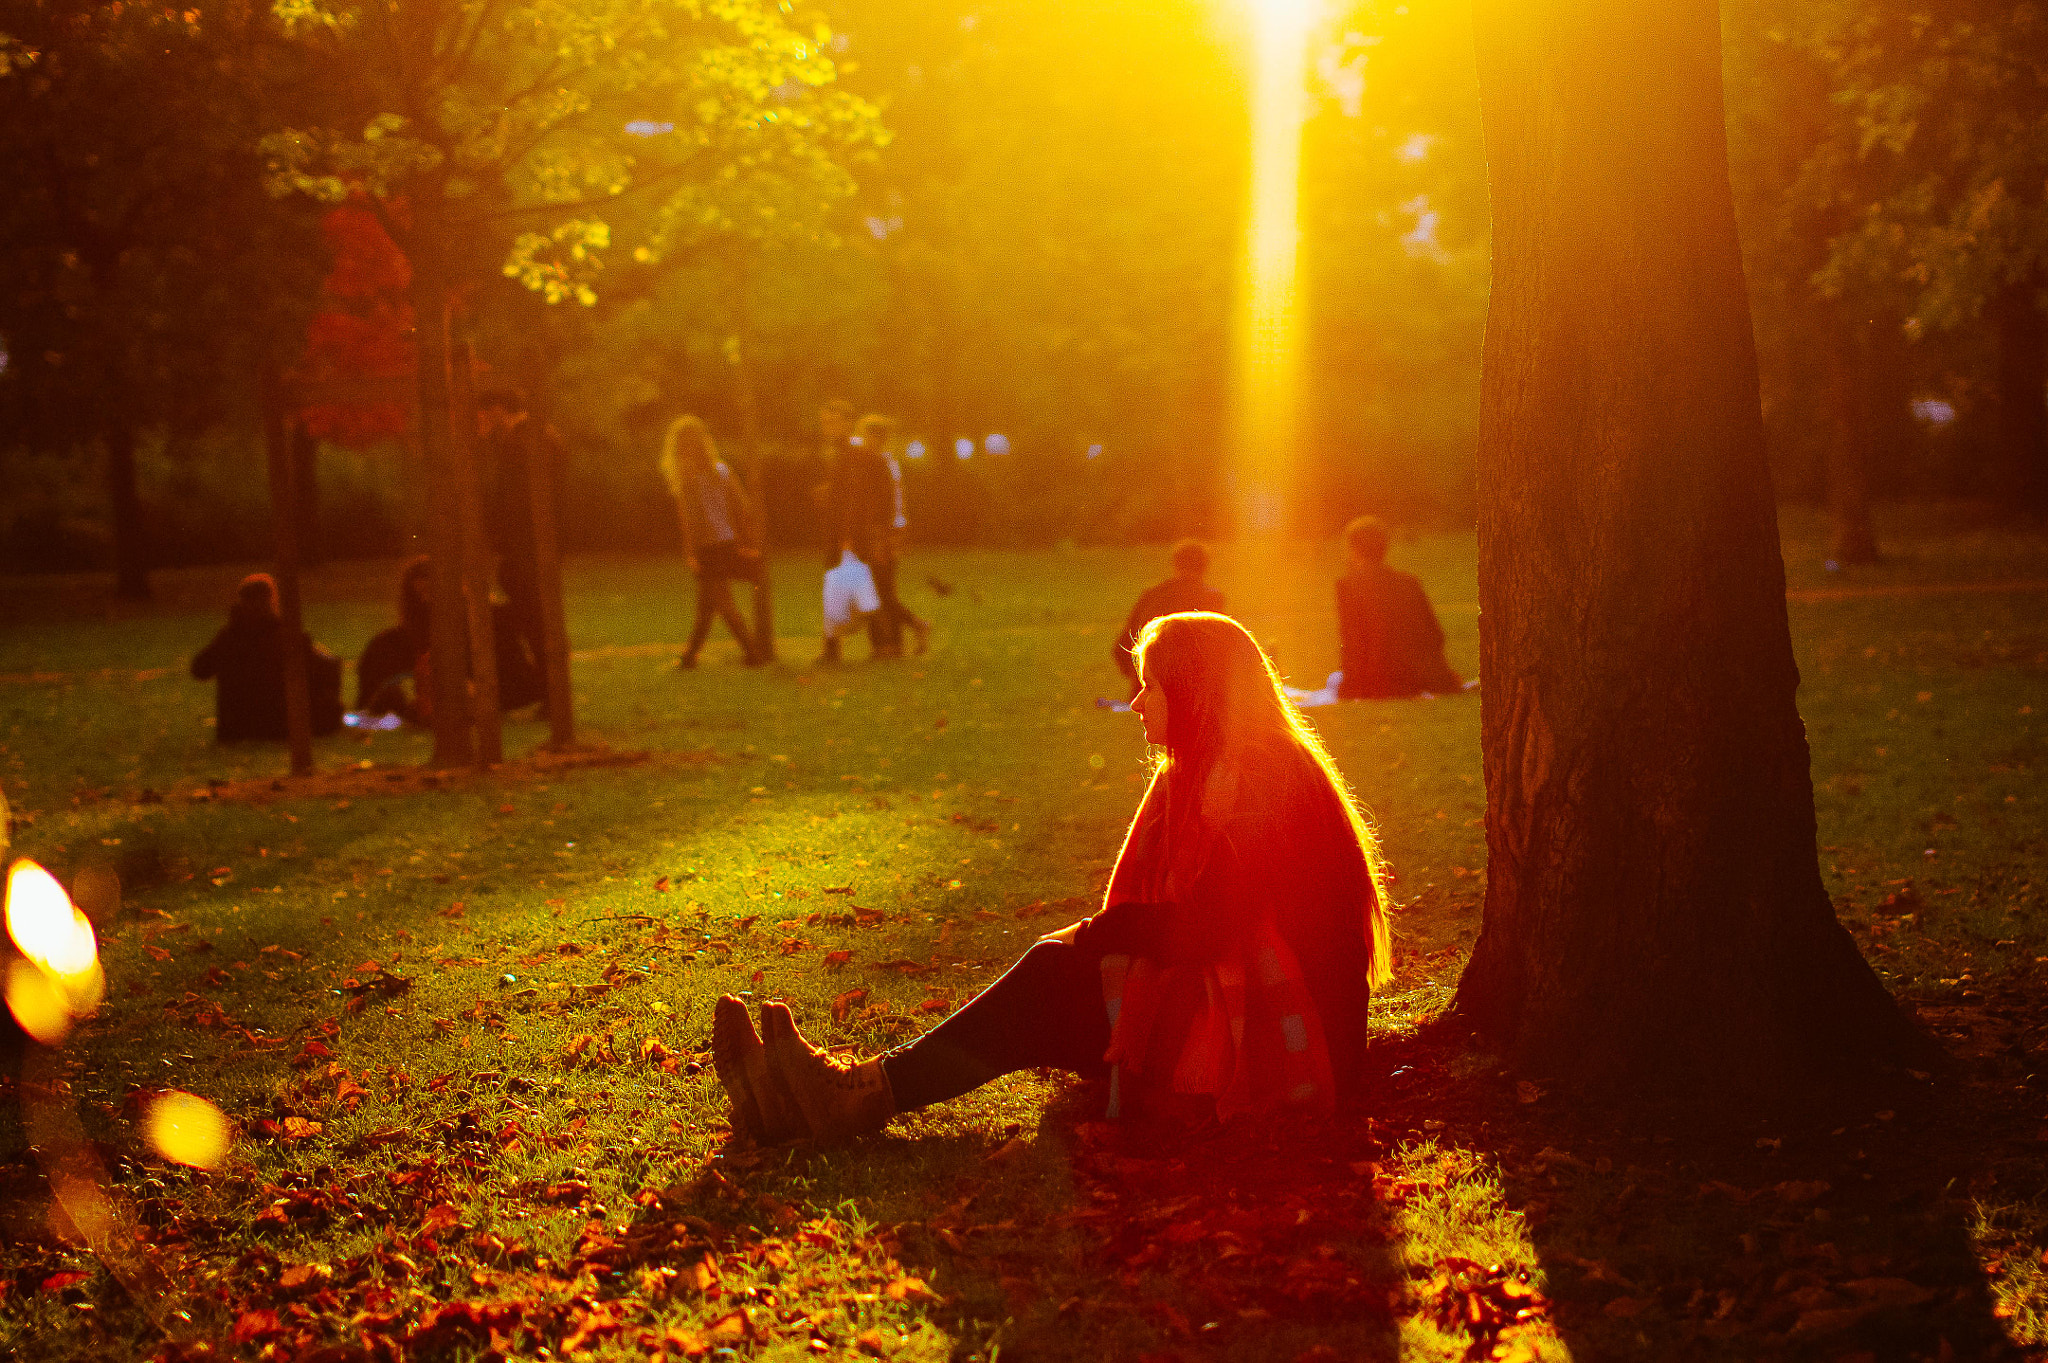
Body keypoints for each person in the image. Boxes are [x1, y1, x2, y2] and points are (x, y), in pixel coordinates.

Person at [712, 611, 1391, 1143]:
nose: (1136, 704)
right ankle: (786, 1099)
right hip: (1244, 998)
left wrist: (1099, 933)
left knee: (1052, 975)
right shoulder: (1225, 767)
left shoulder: (1255, 777)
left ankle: (847, 1094)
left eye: (1151, 685)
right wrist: (1097, 939)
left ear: (1195, 690)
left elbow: (1208, 927)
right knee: (1055, 976)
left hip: (1285, 1036)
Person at [660, 416, 765, 668]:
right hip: (727, 541)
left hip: (707, 547)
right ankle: (689, 657)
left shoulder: (686, 478)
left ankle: (752, 653)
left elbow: (691, 520)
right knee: (707, 605)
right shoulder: (721, 470)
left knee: (722, 602)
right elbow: (741, 506)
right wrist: (744, 537)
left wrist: (691, 552)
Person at [191, 574, 344, 743]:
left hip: (236, 728)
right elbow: (323, 669)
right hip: (277, 726)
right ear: (272, 600)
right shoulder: (286, 636)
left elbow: (199, 670)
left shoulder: (228, 637)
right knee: (328, 699)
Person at [1334, 516, 1464, 699]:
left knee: (1333, 680)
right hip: (1418, 677)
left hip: (1377, 680)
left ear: (1354, 549)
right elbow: (1435, 634)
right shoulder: (1408, 582)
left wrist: (1350, 685)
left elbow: (1353, 641)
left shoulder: (1348, 586)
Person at [857, 414, 931, 657]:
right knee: (884, 590)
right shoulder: (886, 462)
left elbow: (885, 504)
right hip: (888, 533)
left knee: (882, 593)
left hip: (883, 534)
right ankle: (893, 645)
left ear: (878, 438)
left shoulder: (880, 464)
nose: (865, 440)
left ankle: (917, 625)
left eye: (868, 436)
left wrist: (882, 538)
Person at [1113, 540, 1225, 697]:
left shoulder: (1151, 595)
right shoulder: (1210, 598)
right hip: (1190, 693)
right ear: (1205, 567)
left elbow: (1121, 647)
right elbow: (1218, 651)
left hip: (1145, 691)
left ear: (1176, 564)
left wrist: (1142, 679)